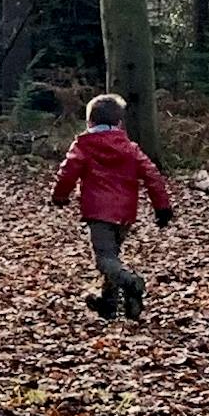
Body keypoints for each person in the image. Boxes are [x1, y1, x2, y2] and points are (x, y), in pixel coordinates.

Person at [49, 92, 175, 320]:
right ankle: (108, 305)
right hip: (125, 212)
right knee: (112, 255)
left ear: (90, 122)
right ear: (118, 122)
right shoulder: (130, 148)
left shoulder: (84, 146)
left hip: (98, 212)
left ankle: (131, 282)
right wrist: (162, 207)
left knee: (105, 259)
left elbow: (68, 172)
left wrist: (59, 196)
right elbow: (152, 175)